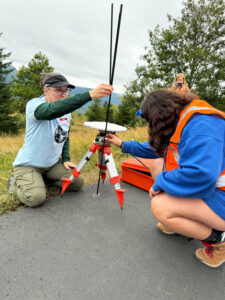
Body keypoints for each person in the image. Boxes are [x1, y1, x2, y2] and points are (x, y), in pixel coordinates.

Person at [138, 88, 225, 268]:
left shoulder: (202, 127)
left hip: (219, 192)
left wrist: (160, 184)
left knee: (160, 206)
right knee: (157, 165)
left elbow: (202, 175)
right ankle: (184, 219)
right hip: (213, 188)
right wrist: (122, 144)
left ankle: (219, 241)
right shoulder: (183, 120)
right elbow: (155, 149)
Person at [10, 72, 113, 208]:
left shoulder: (66, 112)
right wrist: (90, 95)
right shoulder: (34, 105)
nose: (64, 94)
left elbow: (65, 135)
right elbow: (53, 110)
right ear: (45, 90)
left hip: (51, 164)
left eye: (66, 91)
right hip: (28, 164)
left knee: (77, 183)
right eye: (59, 90)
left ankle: (40, 179)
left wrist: (65, 158)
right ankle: (15, 182)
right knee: (35, 198)